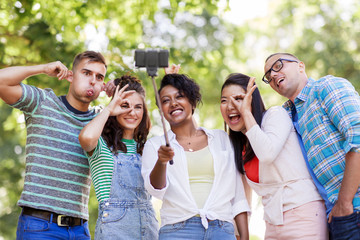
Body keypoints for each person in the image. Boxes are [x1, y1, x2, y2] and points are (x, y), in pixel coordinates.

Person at [0, 51, 107, 239]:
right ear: (71, 76)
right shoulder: (43, 102)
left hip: (80, 230)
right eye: (86, 73)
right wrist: (41, 68)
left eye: (99, 77)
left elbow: (136, 117)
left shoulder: (101, 119)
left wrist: (119, 90)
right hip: (39, 227)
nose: (93, 81)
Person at [141, 73, 250, 240]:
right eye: (165, 100)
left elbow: (238, 193)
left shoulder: (222, 139)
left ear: (192, 101)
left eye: (180, 96)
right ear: (161, 110)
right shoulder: (155, 145)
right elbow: (155, 188)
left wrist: (244, 235)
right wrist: (161, 162)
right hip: (177, 231)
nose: (173, 103)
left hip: (221, 228)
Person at [263, 52, 360, 239]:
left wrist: (345, 202)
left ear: (300, 66)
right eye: (268, 76)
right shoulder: (286, 116)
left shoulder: (326, 87)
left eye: (278, 66)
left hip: (354, 208)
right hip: (329, 219)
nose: (273, 75)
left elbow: (357, 137)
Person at [220, 73, 328, 239]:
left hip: (303, 212)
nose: (230, 105)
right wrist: (240, 234)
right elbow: (241, 196)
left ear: (252, 100)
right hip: (272, 223)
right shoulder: (239, 146)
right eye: (224, 100)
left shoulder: (275, 115)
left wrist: (247, 115)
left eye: (238, 98)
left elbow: (267, 153)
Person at [78, 75, 158, 239]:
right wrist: (108, 109)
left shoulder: (148, 148)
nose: (132, 112)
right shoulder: (100, 144)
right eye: (124, 105)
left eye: (138, 107)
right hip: (115, 230)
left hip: (148, 228)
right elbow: (85, 138)